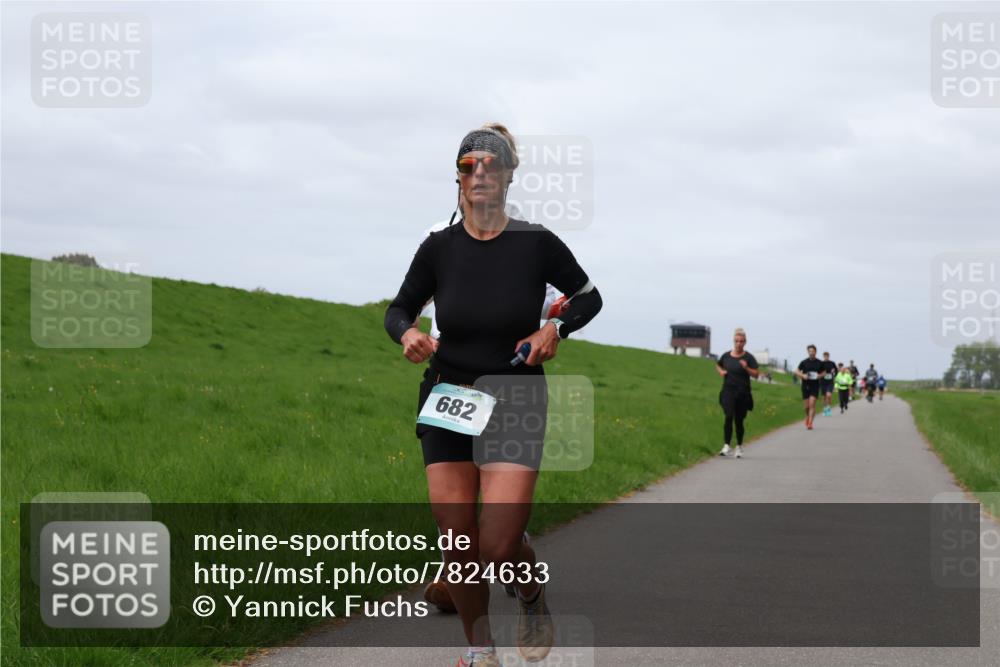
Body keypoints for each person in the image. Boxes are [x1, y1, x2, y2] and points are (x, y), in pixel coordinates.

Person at [384, 123, 602, 667]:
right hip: (449, 394)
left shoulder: (537, 243)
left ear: (508, 175)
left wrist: (554, 330)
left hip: (515, 394)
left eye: (490, 164)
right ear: (457, 177)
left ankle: (529, 592)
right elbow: (398, 308)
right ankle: (480, 652)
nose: (478, 172)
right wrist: (408, 333)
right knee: (458, 543)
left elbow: (588, 297)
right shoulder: (439, 247)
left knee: (500, 546)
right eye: (467, 165)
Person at [715, 328, 760, 459]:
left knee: (739, 421)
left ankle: (739, 446)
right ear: (733, 341)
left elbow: (757, 375)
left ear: (745, 342)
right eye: (736, 341)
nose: (738, 344)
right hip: (728, 391)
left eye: (741, 341)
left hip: (743, 393)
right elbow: (718, 365)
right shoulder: (726, 356)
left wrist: (746, 368)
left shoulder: (749, 357)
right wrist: (721, 371)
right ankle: (726, 445)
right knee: (728, 416)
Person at [795, 345, 824, 429]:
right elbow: (796, 371)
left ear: (815, 352)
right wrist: (802, 375)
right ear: (808, 352)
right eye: (810, 351)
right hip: (805, 385)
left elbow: (824, 372)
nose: (811, 353)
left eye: (813, 351)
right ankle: (808, 417)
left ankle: (810, 423)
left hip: (815, 385)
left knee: (812, 404)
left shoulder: (820, 363)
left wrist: (819, 376)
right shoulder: (804, 362)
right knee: (806, 407)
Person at [819, 351, 838, 417]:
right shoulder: (821, 363)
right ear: (823, 356)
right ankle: (825, 410)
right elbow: (818, 371)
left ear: (828, 356)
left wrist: (834, 373)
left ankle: (829, 409)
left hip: (830, 382)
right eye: (825, 356)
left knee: (829, 395)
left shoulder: (832, 363)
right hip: (823, 382)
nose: (826, 357)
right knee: (824, 397)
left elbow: (836, 371)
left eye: (827, 356)